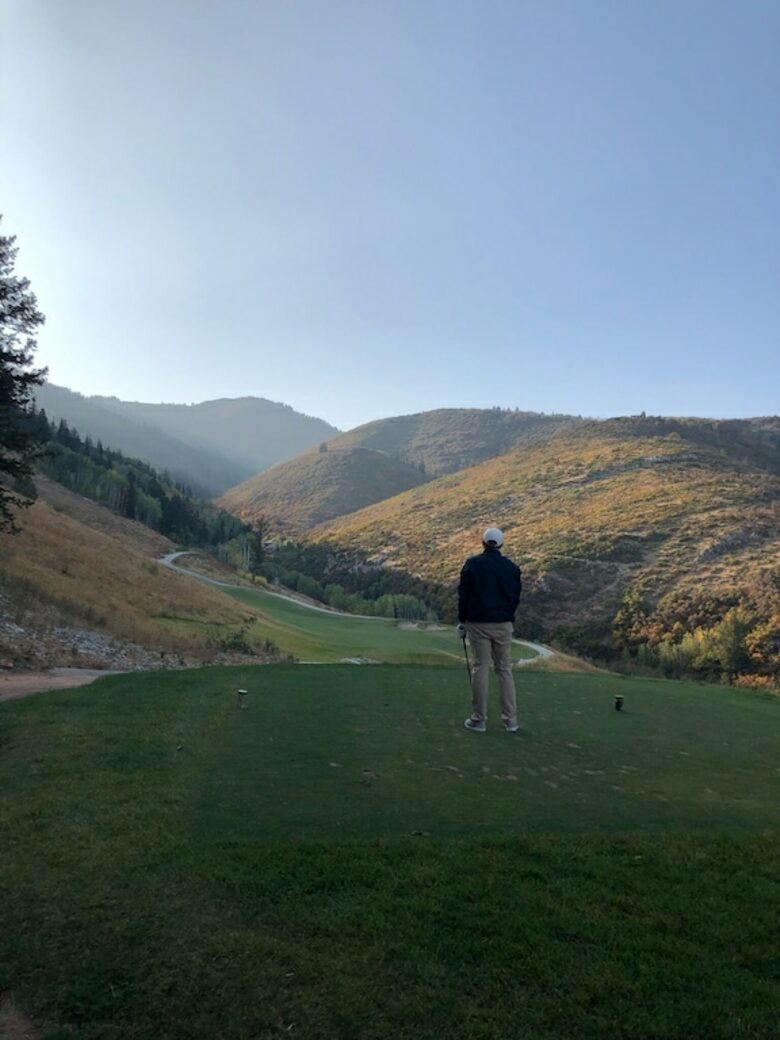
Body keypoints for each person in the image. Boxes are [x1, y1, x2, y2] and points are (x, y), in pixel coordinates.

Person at [457, 526, 522, 733]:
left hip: (478, 624)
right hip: (503, 623)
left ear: (483, 543)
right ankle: (510, 721)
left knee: (480, 667)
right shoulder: (512, 568)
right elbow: (515, 597)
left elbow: (463, 596)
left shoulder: (472, 564)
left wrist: (462, 621)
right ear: (501, 545)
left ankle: (479, 720)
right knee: (504, 669)